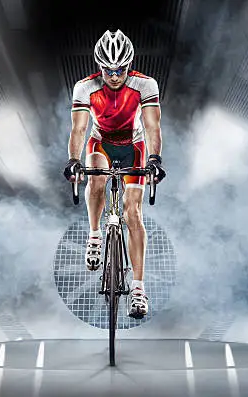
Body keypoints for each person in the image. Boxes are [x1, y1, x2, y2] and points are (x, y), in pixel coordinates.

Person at [63, 29, 166, 319]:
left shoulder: (145, 85)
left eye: (120, 69)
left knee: (133, 212)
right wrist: (73, 159)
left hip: (134, 146)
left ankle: (138, 289)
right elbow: (79, 129)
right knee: (95, 180)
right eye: (108, 70)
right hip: (101, 142)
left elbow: (152, 126)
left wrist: (155, 158)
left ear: (128, 65)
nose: (114, 76)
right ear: (100, 67)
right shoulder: (85, 88)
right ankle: (95, 234)